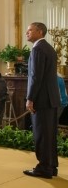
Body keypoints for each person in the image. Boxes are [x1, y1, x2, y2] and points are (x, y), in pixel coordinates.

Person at [23, 22, 61, 179]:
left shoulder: (38, 48)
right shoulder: (49, 48)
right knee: (49, 134)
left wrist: (30, 98)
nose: (27, 33)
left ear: (39, 31)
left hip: (42, 100)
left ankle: (43, 168)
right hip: (51, 99)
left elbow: (36, 76)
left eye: (30, 30)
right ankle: (51, 166)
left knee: (41, 134)